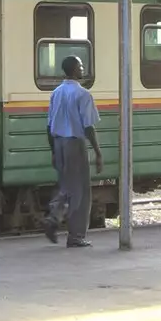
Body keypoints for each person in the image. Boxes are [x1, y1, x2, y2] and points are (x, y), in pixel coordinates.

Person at [45, 54, 103, 247]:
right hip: (75, 144)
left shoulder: (56, 92)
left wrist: (53, 151)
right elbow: (88, 127)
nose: (82, 68)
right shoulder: (83, 94)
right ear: (73, 70)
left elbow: (49, 125)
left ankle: (54, 217)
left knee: (66, 186)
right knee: (80, 191)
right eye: (79, 66)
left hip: (59, 142)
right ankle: (75, 235)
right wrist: (98, 152)